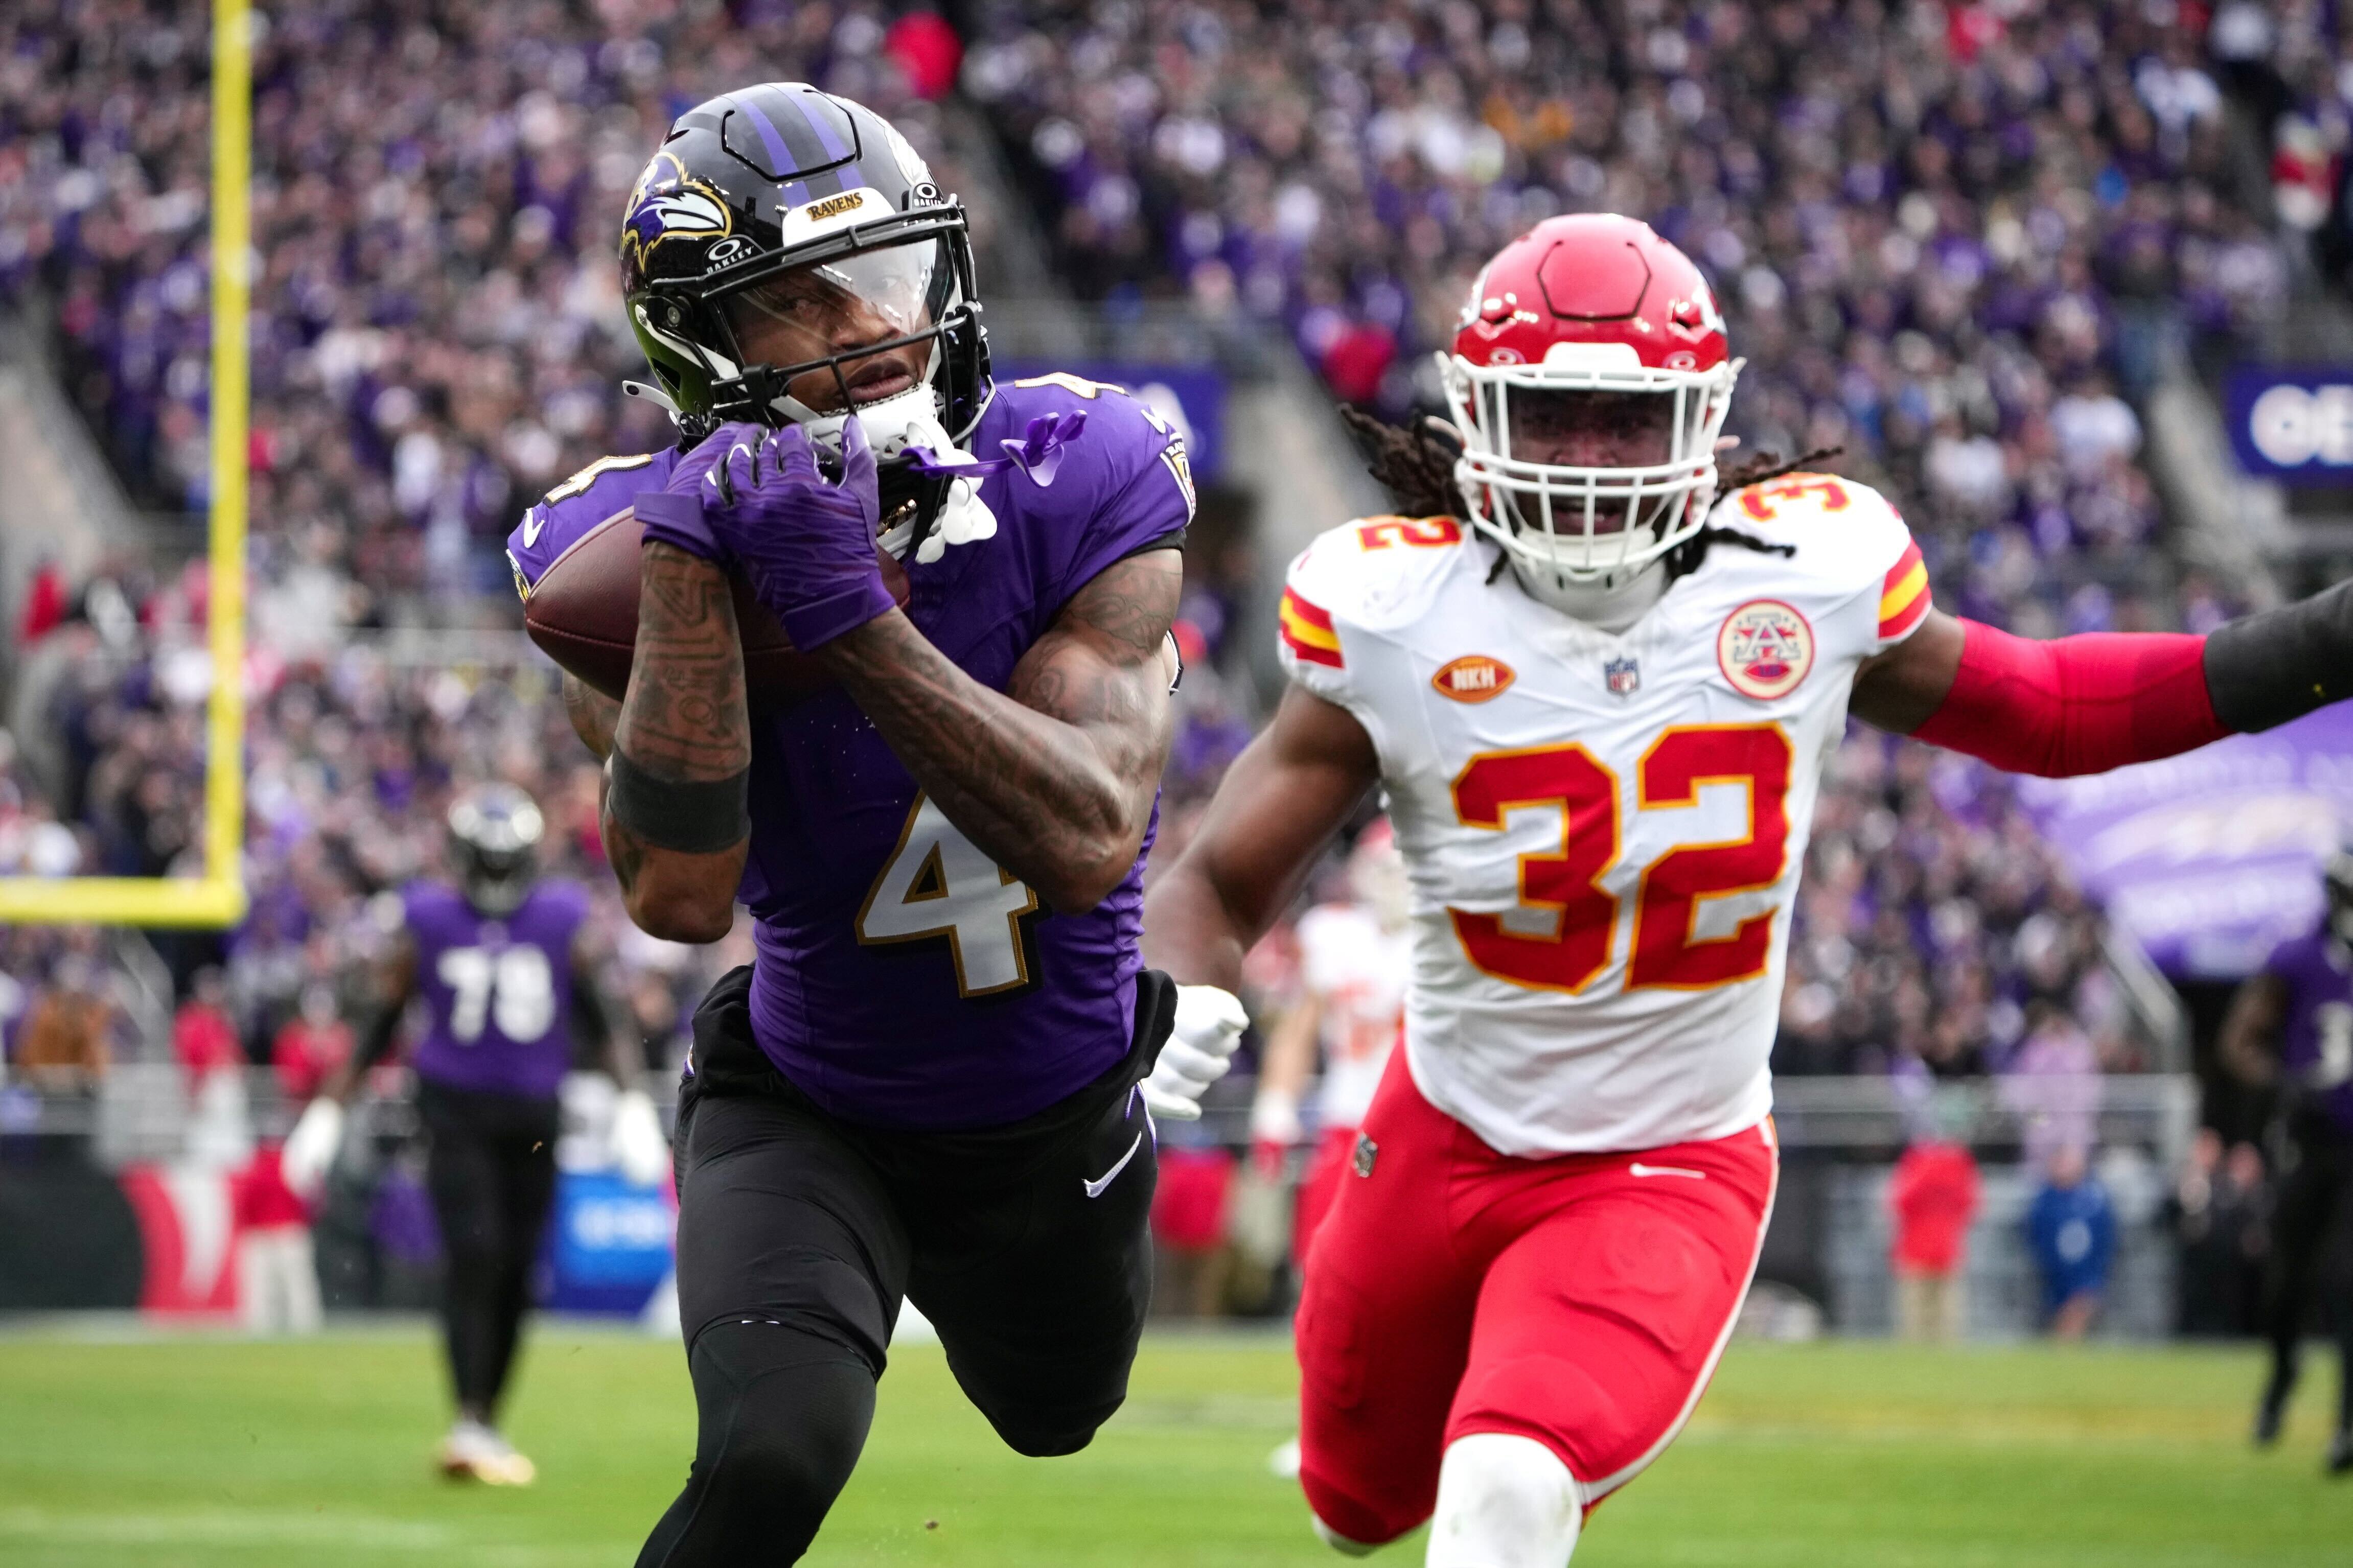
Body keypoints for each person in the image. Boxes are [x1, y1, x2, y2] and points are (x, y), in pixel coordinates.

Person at [1141, 211, 2353, 1565]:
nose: (1589, 461)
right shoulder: (1395, 612)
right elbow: (1215, 879)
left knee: (1502, 1483)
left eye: (1625, 421)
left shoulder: (1802, 583)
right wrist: (1175, 986)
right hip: (1441, 1129)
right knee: (1352, 1502)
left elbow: (2056, 707)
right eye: (1552, 415)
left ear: (1701, 425)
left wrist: (2326, 635)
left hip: (1663, 1158)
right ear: (1477, 420)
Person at [505, 84, 1245, 1565]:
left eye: (890, 275)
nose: (869, 328)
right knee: (774, 1456)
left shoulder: (1077, 469)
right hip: (812, 1099)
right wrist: (693, 580)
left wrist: (849, 616)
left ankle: (1133, 1051)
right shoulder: (623, 543)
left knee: (1057, 1409)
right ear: (700, 343)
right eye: (794, 303)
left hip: (1050, 1110)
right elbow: (677, 890)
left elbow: (1090, 827)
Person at [282, 783, 663, 1485]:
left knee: (520, 1269)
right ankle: (468, 1416)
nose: (492, 876)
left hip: (535, 1116)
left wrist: (634, 1103)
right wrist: (329, 1110)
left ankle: (485, 1421)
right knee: (475, 1252)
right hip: (453, 1108)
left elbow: (604, 1017)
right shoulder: (425, 918)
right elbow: (380, 1017)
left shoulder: (561, 917)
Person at [2221, 841, 2353, 1472]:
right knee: (2286, 1282)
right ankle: (2280, 1377)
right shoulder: (2297, 957)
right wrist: (2282, 1085)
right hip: (2312, 1139)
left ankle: (2347, 1426)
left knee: (2348, 1282)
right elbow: (2239, 1041)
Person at [1888, 1096, 1980, 1343]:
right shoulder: (1957, 1162)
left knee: (1921, 1317)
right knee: (1942, 1317)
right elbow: (1971, 1205)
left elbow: (1900, 1201)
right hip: (1936, 1247)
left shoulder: (1922, 1160)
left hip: (1924, 1248)